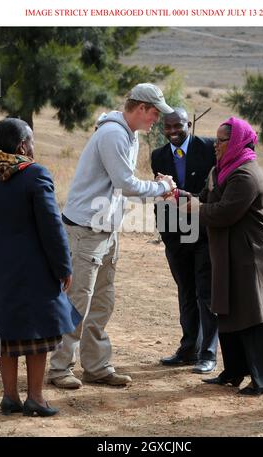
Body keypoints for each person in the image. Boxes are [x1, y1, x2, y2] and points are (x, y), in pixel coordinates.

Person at [48, 83, 176, 389]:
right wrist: (162, 187)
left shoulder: (127, 135)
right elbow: (126, 183)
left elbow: (121, 185)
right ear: (141, 108)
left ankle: (95, 366)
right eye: (155, 113)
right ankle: (59, 367)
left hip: (105, 229)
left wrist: (152, 186)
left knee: (102, 302)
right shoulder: (114, 134)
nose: (156, 120)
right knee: (78, 302)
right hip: (86, 231)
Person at [198, 116, 263, 395]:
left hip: (251, 255)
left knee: (254, 315)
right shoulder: (221, 170)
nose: (215, 145)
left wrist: (192, 209)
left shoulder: (246, 174)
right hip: (229, 253)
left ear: (237, 142)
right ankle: (233, 372)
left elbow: (224, 213)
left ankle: (262, 379)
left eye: (221, 140)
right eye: (215, 140)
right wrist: (180, 196)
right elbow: (206, 199)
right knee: (228, 312)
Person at [0, 118, 82, 416]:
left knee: (4, 332)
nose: (34, 147)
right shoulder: (35, 175)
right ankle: (35, 398)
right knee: (37, 335)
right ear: (22, 145)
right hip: (33, 271)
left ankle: (9, 397)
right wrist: (63, 266)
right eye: (31, 141)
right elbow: (51, 227)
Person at [151, 108, 218, 374]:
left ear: (188, 124)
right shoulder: (158, 155)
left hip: (203, 231)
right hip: (174, 234)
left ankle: (208, 353)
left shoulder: (209, 148)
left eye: (177, 126)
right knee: (185, 290)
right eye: (167, 127)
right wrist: (166, 233)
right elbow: (160, 195)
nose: (172, 132)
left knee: (205, 291)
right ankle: (189, 348)